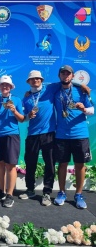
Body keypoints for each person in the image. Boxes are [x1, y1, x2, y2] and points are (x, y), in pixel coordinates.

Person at [53, 65, 94, 209]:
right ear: (59, 75)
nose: (66, 76)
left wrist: (84, 109)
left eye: (68, 74)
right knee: (62, 164)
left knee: (80, 165)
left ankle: (78, 194)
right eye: (63, 73)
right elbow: (38, 91)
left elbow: (92, 110)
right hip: (61, 134)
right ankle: (62, 192)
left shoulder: (81, 90)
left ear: (72, 75)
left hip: (80, 134)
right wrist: (28, 93)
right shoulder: (54, 89)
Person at [19, 70, 57, 206]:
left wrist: (81, 86)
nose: (35, 81)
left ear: (41, 80)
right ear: (28, 82)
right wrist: (29, 115)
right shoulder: (26, 98)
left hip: (49, 133)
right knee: (30, 163)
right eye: (32, 79)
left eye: (37, 79)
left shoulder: (50, 89)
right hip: (32, 134)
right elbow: (23, 118)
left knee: (50, 164)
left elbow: (66, 81)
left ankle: (47, 192)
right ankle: (30, 189)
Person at [0, 75, 24, 208]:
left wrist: (14, 110)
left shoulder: (16, 100)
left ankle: (9, 194)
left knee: (11, 165)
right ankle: (1, 192)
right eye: (2, 85)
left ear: (10, 87)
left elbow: (22, 119)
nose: (5, 87)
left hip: (11, 135)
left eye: (7, 85)